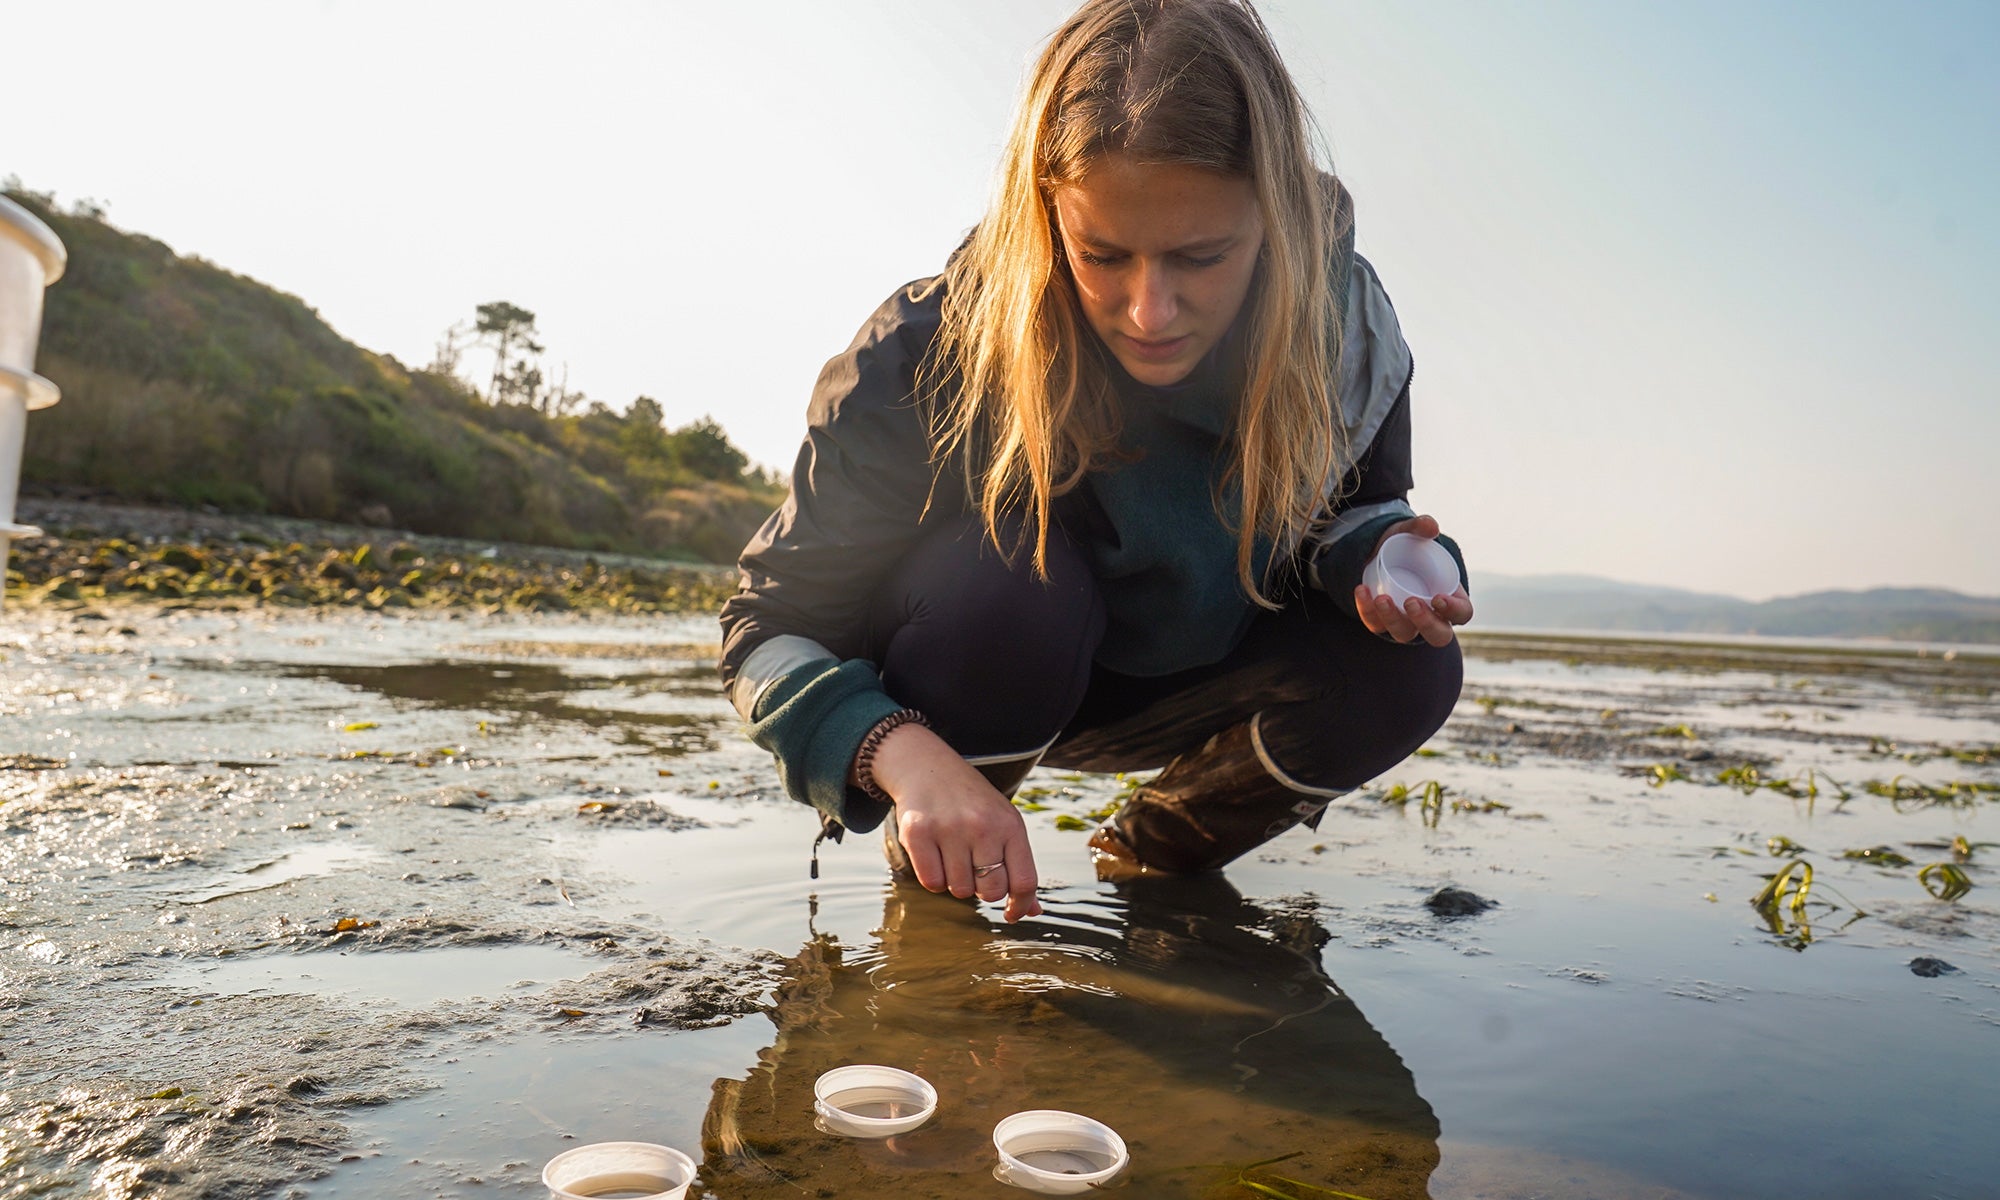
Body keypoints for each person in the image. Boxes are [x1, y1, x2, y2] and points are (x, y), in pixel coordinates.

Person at [719, 0, 1471, 924]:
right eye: (1101, 255)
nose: (1150, 311)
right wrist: (898, 755)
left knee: (1409, 673)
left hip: (1205, 672)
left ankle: (1156, 859)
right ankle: (944, 889)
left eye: (1201, 256)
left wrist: (1386, 552)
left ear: (1273, 219)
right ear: (1046, 220)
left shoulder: (1347, 331)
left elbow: (1358, 503)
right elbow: (766, 626)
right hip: (986, 663)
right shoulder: (925, 348)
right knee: (1008, 588)